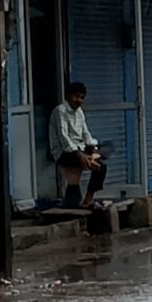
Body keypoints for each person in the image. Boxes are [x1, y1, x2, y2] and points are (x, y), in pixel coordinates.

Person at [48, 81, 107, 209]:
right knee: (95, 164)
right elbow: (64, 138)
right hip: (64, 152)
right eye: (76, 96)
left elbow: (85, 133)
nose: (79, 100)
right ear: (69, 96)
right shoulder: (60, 111)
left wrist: (92, 147)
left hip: (80, 149)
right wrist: (81, 155)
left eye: (82, 97)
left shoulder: (79, 112)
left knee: (103, 159)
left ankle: (88, 199)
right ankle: (89, 160)